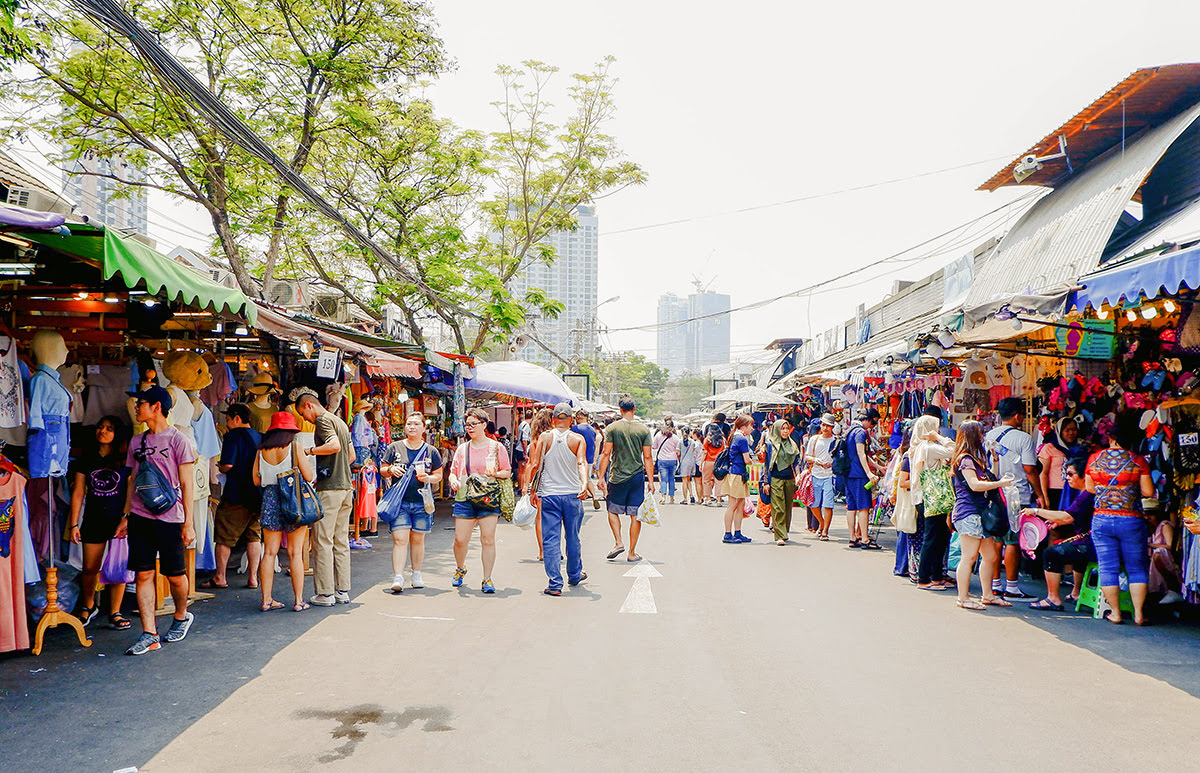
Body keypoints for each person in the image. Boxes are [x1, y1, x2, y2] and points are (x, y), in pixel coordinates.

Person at [121, 385, 196, 655]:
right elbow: (132, 481)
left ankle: (181, 614)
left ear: (156, 407)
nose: (136, 407)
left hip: (170, 517)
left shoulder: (178, 440)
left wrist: (188, 523)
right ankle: (149, 633)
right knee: (143, 573)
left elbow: (188, 484)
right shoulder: (136, 442)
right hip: (141, 517)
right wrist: (126, 515)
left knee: (175, 575)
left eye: (141, 403)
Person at [1085, 412, 1153, 625]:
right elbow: (1148, 491)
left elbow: (1089, 488)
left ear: (1111, 439)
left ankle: (1114, 612)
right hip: (1131, 520)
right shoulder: (1138, 461)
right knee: (1136, 568)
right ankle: (1139, 614)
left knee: (1108, 567)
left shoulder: (1095, 459)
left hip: (1102, 519)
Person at [69, 416, 132, 630]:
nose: (102, 431)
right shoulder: (87, 457)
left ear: (118, 434)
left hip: (118, 520)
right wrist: (74, 523)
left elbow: (131, 491)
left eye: (109, 429)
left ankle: (115, 611)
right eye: (100, 427)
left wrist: (126, 517)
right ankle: (88, 606)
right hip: (93, 518)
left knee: (118, 568)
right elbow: (78, 491)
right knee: (89, 568)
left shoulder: (125, 459)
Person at [295, 392, 354, 607]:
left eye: (304, 414)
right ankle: (342, 590)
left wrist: (309, 451)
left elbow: (335, 446)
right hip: (346, 487)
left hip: (329, 488)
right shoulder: (340, 420)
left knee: (322, 541)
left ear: (309, 405)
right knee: (340, 541)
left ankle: (325, 593)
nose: (306, 419)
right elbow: (351, 456)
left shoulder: (322, 420)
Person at [526, 402, 590, 595]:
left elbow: (535, 465)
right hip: (572, 495)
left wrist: (532, 490)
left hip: (549, 496)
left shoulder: (544, 438)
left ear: (553, 419)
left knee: (551, 539)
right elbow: (581, 462)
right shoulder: (577, 439)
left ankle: (555, 583)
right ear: (571, 420)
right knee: (572, 537)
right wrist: (584, 483)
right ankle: (574, 574)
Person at [951, 420, 1016, 611]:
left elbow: (989, 479)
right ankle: (963, 598)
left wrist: (995, 460)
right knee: (969, 557)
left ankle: (987, 595)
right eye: (981, 433)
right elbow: (975, 485)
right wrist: (1001, 484)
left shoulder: (975, 459)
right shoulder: (965, 459)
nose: (984, 437)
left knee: (989, 556)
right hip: (969, 512)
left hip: (980, 514)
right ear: (973, 436)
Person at [253, 412, 314, 611]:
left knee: (269, 552)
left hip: (270, 498)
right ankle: (298, 601)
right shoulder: (295, 448)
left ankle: (266, 600)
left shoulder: (261, 451)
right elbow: (308, 474)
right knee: (295, 553)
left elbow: (256, 480)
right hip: (293, 498)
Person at [986, 397, 1045, 601]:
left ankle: (994, 583)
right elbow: (1030, 469)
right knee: (1012, 541)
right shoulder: (1023, 438)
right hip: (1016, 494)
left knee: (996, 540)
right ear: (1018, 415)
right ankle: (1011, 587)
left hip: (994, 493)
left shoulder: (988, 436)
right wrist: (1039, 493)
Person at [448, 407, 512, 593]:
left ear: (484, 425)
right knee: (460, 539)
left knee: (488, 539)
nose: (470, 428)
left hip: (488, 497)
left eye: (474, 424)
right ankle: (460, 568)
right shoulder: (463, 448)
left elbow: (507, 471)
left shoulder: (496, 447)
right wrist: (453, 480)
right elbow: (453, 471)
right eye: (467, 424)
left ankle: (487, 578)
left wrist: (496, 473)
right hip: (465, 497)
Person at [380, 413, 443, 592]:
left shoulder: (431, 451)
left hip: (422, 501)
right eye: (409, 424)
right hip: (399, 502)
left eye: (416, 424)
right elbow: (382, 469)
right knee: (400, 539)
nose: (412, 427)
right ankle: (398, 576)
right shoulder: (394, 447)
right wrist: (391, 469)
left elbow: (438, 475)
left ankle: (416, 573)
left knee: (417, 539)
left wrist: (428, 478)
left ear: (424, 428)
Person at [1024, 458, 1094, 611]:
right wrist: (1059, 521)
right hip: (1090, 540)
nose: (1067, 477)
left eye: (1070, 474)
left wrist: (1036, 511)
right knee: (1073, 549)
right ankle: (1076, 592)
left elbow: (1067, 516)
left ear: (1083, 476)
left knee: (1051, 553)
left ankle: (1053, 598)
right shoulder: (1085, 494)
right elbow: (1073, 517)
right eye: (1065, 473)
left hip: (1091, 543)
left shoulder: (1087, 495)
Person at [206, 404, 262, 590]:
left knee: (224, 536)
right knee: (254, 536)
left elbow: (228, 465)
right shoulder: (259, 436)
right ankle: (253, 577)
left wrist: (220, 467)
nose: (227, 424)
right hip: (257, 494)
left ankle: (220, 577)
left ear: (237, 418)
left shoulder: (232, 437)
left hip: (237, 494)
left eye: (228, 419)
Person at [596, 394, 654, 563]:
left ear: (621, 410)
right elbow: (648, 457)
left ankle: (618, 542)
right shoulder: (643, 430)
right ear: (634, 409)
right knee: (635, 514)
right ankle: (632, 552)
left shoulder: (612, 428)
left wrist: (600, 476)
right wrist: (650, 480)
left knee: (612, 510)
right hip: (637, 477)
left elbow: (606, 453)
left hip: (617, 477)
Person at [910, 415, 956, 590]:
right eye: (935, 427)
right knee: (932, 538)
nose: (938, 430)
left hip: (926, 498)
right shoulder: (929, 447)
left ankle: (936, 576)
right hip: (932, 497)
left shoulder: (920, 447)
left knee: (940, 536)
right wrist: (939, 438)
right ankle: (924, 579)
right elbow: (954, 449)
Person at [846, 408, 882, 549]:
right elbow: (862, 454)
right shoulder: (861, 432)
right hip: (859, 475)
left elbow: (862, 454)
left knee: (852, 507)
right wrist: (869, 473)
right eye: (874, 423)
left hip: (848, 474)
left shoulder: (850, 430)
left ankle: (852, 537)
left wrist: (878, 467)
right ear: (867, 419)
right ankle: (865, 539)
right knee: (864, 507)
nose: (873, 426)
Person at [763, 418, 800, 546]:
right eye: (783, 428)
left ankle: (785, 531)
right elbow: (767, 465)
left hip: (789, 479)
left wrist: (798, 475)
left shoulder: (792, 445)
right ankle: (780, 535)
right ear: (777, 429)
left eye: (787, 428)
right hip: (776, 479)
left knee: (787, 507)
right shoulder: (769, 445)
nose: (785, 431)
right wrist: (766, 482)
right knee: (778, 508)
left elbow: (796, 463)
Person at [524, 407, 554, 560]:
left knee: (540, 517)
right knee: (555, 518)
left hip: (540, 481)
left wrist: (527, 486)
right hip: (556, 481)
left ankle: (543, 551)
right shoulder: (557, 437)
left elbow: (532, 464)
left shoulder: (536, 440)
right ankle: (555, 549)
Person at [720, 415, 754, 544]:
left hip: (734, 474)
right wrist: (752, 461)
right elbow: (747, 460)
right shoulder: (742, 439)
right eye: (750, 425)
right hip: (737, 475)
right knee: (733, 505)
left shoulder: (735, 436)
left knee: (739, 505)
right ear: (743, 427)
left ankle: (737, 533)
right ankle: (728, 534)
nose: (752, 428)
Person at [805, 414, 838, 541]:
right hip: (815, 474)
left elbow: (839, 459)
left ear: (832, 427)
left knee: (828, 505)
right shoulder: (814, 440)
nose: (825, 428)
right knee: (813, 504)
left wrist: (832, 464)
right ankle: (821, 522)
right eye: (823, 425)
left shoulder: (836, 441)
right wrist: (816, 461)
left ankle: (825, 530)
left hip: (830, 476)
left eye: (828, 426)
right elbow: (807, 457)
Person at [1038, 418, 1079, 511]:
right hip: (1055, 493)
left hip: (1074, 492)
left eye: (1074, 429)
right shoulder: (1049, 448)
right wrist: (1045, 497)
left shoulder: (1079, 449)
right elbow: (1042, 474)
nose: (1071, 433)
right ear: (1059, 432)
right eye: (1067, 430)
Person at [570, 409, 600, 509]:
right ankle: (594, 496)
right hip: (590, 457)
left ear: (578, 418)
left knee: (581, 478)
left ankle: (584, 495)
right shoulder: (592, 430)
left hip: (578, 457)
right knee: (587, 477)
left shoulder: (575, 429)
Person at [652, 419, 681, 505]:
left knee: (663, 479)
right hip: (673, 460)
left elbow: (654, 446)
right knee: (672, 479)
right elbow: (678, 450)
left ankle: (663, 497)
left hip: (662, 460)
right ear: (672, 427)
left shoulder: (658, 435)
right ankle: (671, 498)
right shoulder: (675, 438)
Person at [700, 413, 727, 505]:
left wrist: (701, 463)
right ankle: (719, 500)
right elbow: (724, 451)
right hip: (719, 462)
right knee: (719, 480)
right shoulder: (722, 440)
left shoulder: (707, 439)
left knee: (706, 480)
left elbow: (704, 452)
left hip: (708, 461)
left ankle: (707, 499)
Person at [678, 428, 699, 504]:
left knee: (684, 481)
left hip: (684, 462)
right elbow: (695, 451)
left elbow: (678, 453)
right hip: (691, 462)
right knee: (688, 480)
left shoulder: (680, 442)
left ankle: (685, 499)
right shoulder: (693, 442)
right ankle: (691, 495)